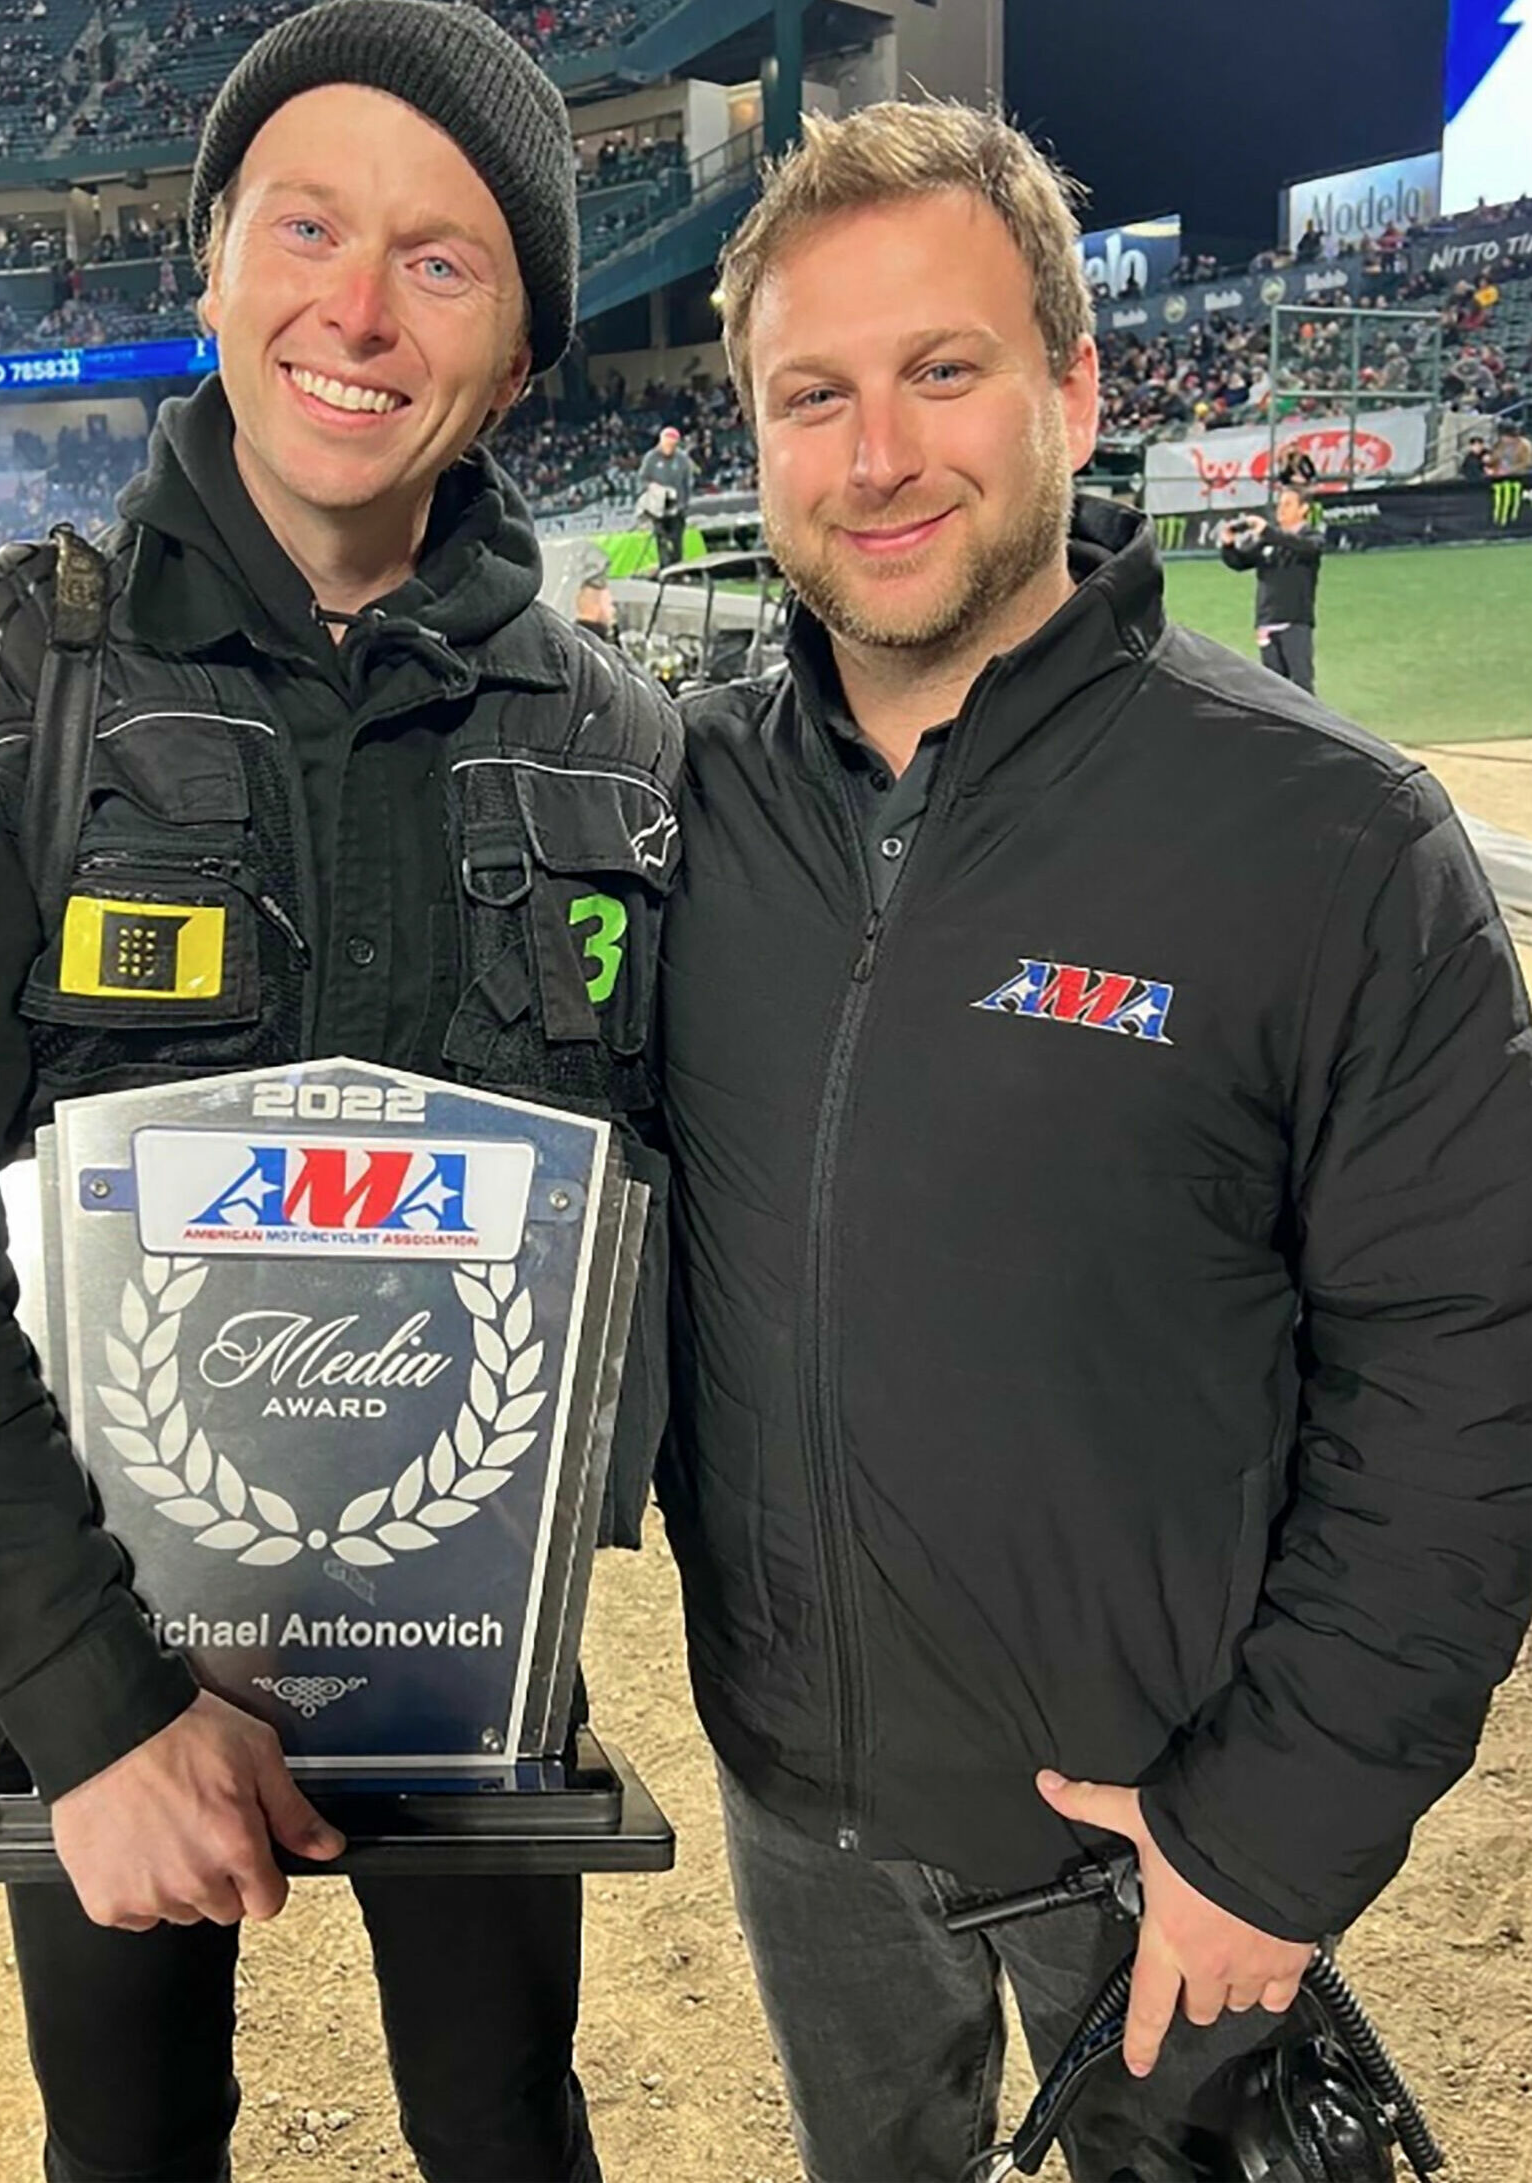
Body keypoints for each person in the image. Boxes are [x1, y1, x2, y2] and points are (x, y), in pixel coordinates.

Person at [0, 6, 680, 2181]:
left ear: (525, 349)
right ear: (207, 264)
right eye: (304, 226)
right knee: (133, 2137)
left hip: (473, 1666)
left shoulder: (638, 760)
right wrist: (87, 1704)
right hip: (84, 1651)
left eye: (441, 260)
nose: (354, 308)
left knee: (501, 2128)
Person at [656, 98, 1532, 2183]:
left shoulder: (1330, 840)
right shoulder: (674, 813)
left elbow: (1465, 1375)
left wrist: (1271, 1835)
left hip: (1160, 1826)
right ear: (751, 435)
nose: (875, 455)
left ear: (1069, 380)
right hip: (796, 1787)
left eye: (938, 371)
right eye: (812, 392)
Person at [1218, 484, 1325, 692]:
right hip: (1267, 622)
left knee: (1302, 686)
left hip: (1295, 622)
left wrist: (1268, 531)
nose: (1281, 510)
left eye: (1287, 504)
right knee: (1274, 688)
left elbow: (1304, 547)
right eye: (1279, 505)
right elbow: (1240, 562)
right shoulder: (1267, 541)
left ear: (1303, 509)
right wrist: (1228, 545)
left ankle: (1306, 725)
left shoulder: (1311, 539)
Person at [635, 420, 694, 568]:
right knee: (661, 540)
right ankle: (665, 568)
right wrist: (652, 487)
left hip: (677, 507)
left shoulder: (682, 460)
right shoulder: (651, 458)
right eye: (667, 445)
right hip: (658, 508)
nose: (669, 448)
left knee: (676, 540)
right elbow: (642, 479)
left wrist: (684, 504)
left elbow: (687, 483)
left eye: (673, 445)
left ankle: (678, 568)